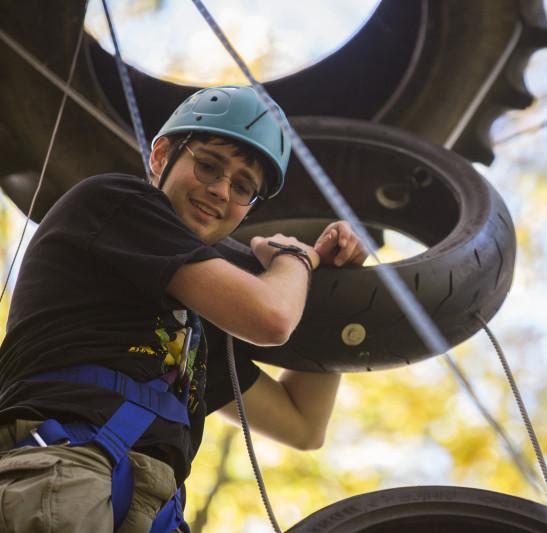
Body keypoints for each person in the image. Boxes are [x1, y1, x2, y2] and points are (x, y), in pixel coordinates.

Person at [0, 85, 366, 532]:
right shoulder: (115, 203)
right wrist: (296, 258)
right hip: (62, 477)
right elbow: (271, 319)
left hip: (153, 511)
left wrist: (336, 289)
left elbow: (303, 424)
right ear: (161, 156)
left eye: (242, 187)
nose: (219, 190)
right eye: (208, 165)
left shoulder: (193, 330)